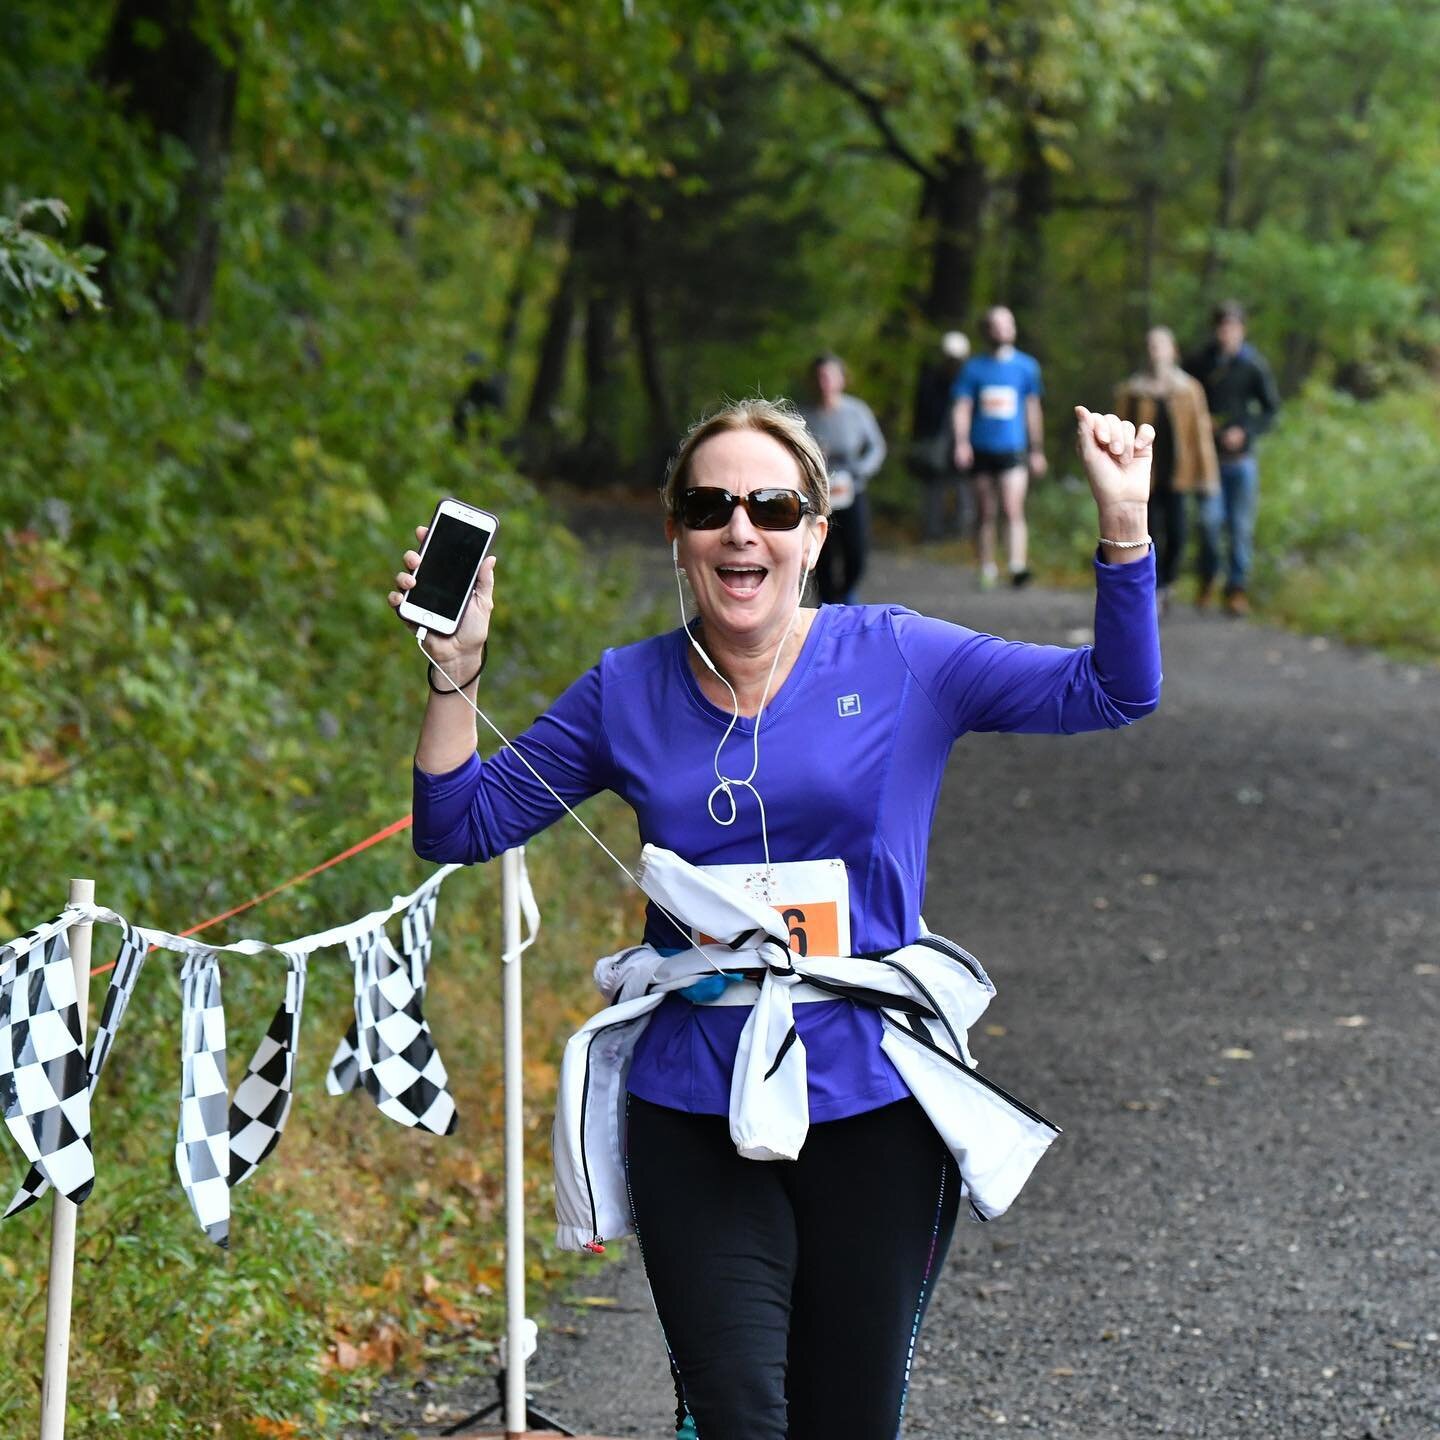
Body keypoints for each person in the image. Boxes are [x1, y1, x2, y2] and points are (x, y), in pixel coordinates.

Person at [389, 398, 1161, 1440]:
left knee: (845, 1419)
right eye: (710, 506)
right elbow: (458, 823)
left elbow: (1115, 689)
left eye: (772, 504)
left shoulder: (899, 657)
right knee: (740, 1416)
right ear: (679, 536)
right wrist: (455, 669)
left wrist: (1124, 528)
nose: (740, 528)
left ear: (816, 531)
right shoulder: (627, 689)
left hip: (874, 1102)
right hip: (691, 1104)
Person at [1114, 326, 1220, 614]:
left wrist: (1206, 475)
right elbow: (1119, 431)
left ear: (1173, 350)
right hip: (1144, 475)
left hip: (1178, 473)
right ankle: (1152, 589)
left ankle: (1168, 582)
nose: (1155, 351)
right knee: (1149, 533)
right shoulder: (1132, 391)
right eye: (1150, 345)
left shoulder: (1189, 390)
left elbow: (1200, 436)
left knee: (1178, 533)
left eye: (1161, 345)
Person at [1185, 300, 1281, 615]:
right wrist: (1203, 424)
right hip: (1208, 461)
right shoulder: (1200, 364)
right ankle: (1208, 579)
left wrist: (1245, 432)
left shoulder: (1253, 365)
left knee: (1240, 528)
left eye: (1234, 327)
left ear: (1242, 329)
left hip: (1241, 461)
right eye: (1223, 326)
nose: (1228, 333)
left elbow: (1270, 410)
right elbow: (1185, 403)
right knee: (1209, 524)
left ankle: (1236, 589)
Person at [951, 305, 1046, 589]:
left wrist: (1037, 449)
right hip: (981, 449)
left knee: (1013, 507)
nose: (1004, 329)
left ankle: (1017, 565)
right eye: (997, 324)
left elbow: (1032, 408)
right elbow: (962, 407)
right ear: (987, 330)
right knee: (986, 511)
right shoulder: (973, 368)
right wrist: (961, 443)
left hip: (1013, 448)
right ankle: (986, 566)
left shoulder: (1026, 367)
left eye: (1009, 323)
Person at [799, 353, 886, 603]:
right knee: (822, 554)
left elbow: (876, 447)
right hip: (819, 494)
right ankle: (828, 604)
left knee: (856, 552)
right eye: (819, 376)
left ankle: (847, 591)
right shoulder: (805, 416)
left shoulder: (856, 411)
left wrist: (862, 468)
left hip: (852, 490)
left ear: (841, 379)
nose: (824, 381)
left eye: (829, 375)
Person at [908, 331, 971, 543]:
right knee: (934, 487)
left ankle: (961, 531)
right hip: (935, 441)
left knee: (963, 486)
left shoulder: (969, 380)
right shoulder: (931, 380)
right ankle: (933, 532)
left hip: (962, 442)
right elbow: (922, 412)